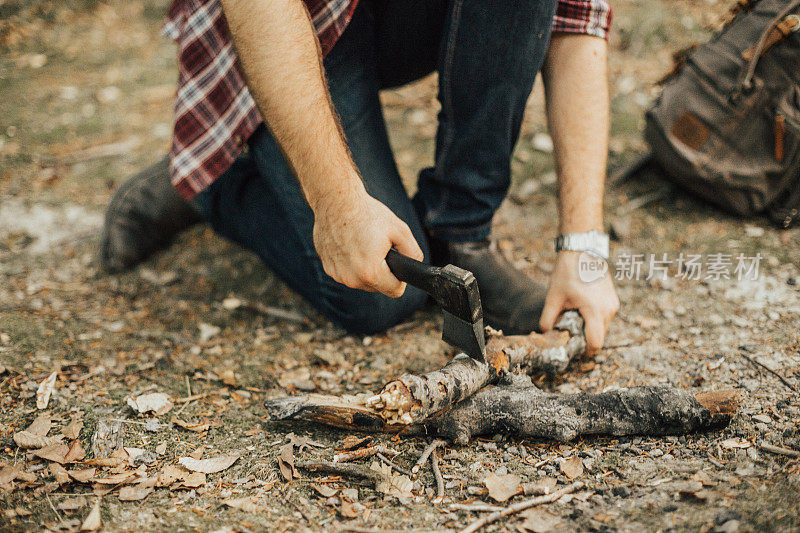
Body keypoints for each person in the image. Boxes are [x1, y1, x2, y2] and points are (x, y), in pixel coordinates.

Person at [100, 0, 619, 353]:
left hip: (403, 16)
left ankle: (459, 231)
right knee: (376, 295)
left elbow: (576, 19)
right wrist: (337, 204)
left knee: (403, 263)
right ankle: (215, 180)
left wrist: (585, 246)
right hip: (291, 20)